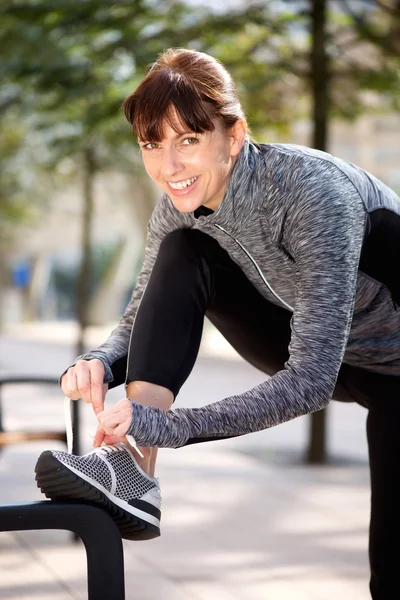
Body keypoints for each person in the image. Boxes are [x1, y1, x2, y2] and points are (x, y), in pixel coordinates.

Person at [35, 48, 399, 597]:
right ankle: (130, 470)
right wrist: (100, 362)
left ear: (233, 135)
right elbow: (141, 315)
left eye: (188, 140)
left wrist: (174, 427)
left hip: (388, 368)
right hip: (304, 338)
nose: (169, 167)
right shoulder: (178, 203)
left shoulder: (314, 193)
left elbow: (311, 381)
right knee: (183, 250)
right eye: (152, 144)